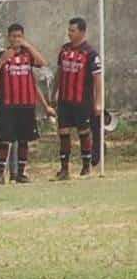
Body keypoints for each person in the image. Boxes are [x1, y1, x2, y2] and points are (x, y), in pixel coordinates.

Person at [0, 24, 55, 184]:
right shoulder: (2, 55)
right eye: (13, 36)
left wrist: (29, 45)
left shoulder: (27, 54)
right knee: (5, 139)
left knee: (24, 139)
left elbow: (41, 63)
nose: (16, 39)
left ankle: (21, 173)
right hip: (8, 104)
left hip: (26, 104)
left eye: (19, 36)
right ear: (8, 38)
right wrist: (2, 61)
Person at [53, 17, 102, 180]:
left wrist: (98, 101)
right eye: (69, 30)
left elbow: (98, 79)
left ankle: (86, 167)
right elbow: (59, 73)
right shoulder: (64, 50)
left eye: (72, 30)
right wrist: (54, 93)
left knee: (84, 132)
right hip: (65, 100)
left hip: (82, 100)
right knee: (64, 133)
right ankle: (64, 169)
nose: (69, 33)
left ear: (82, 32)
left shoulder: (90, 53)